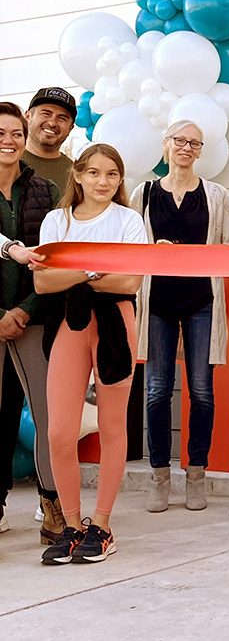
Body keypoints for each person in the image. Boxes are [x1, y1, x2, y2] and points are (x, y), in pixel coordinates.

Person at [32, 143, 147, 564]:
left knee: (112, 424)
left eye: (112, 174)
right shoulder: (55, 220)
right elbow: (44, 284)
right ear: (77, 175)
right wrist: (98, 270)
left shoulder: (129, 220)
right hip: (69, 323)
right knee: (59, 432)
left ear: (120, 181)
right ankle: (73, 526)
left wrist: (75, 273)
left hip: (116, 324)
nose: (103, 182)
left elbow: (130, 282)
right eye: (94, 173)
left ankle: (102, 525)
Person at [129, 120, 229, 513]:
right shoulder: (142, 193)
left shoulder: (216, 194)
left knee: (202, 391)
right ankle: (159, 476)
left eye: (195, 142)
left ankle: (196, 473)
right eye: (180, 140)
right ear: (165, 145)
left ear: (201, 150)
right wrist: (152, 249)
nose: (187, 147)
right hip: (156, 301)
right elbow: (128, 246)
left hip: (200, 303)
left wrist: (198, 256)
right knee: (157, 391)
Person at [0, 101, 64, 544]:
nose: (8, 141)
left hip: (35, 317)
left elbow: (55, 256)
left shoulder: (44, 190)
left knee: (48, 414)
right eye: (0, 132)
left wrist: (24, 308)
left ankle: (53, 505)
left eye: (15, 133)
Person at [22, 88, 77, 191]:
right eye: (46, 113)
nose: (52, 123)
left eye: (62, 118)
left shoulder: (78, 176)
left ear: (70, 128)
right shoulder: (6, 163)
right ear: (28, 116)